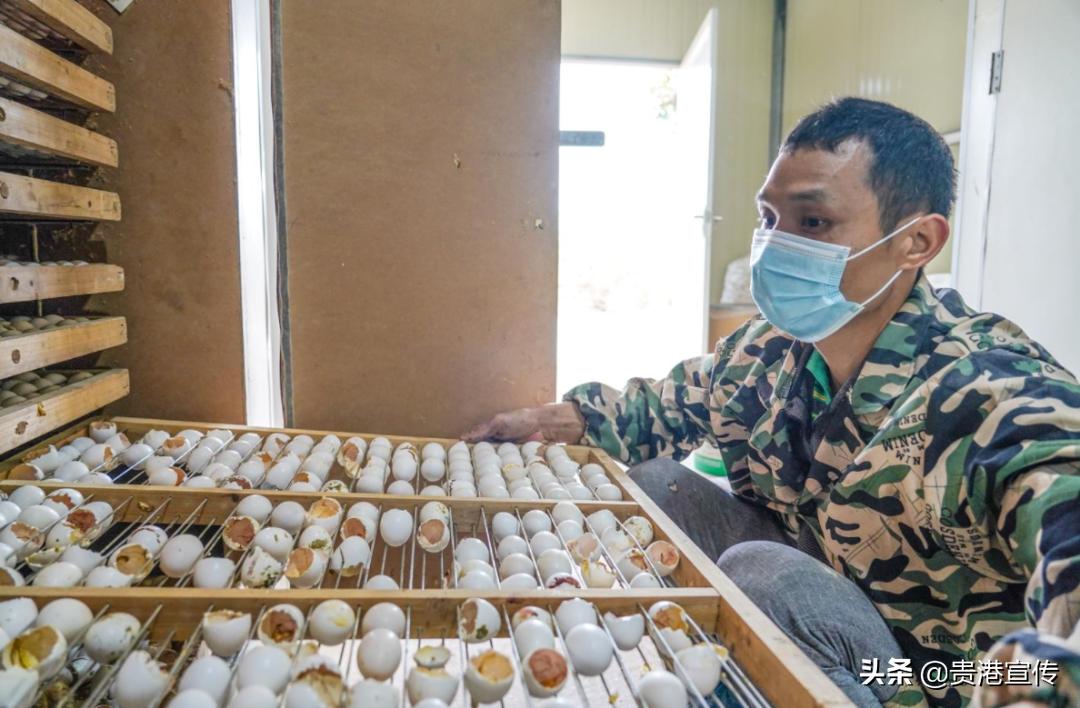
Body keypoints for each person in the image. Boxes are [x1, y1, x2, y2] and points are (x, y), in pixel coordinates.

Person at [463, 98, 1080, 707]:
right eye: (768, 218)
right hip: (836, 603)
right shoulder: (771, 350)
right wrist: (561, 420)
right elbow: (670, 407)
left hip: (941, 679)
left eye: (813, 223)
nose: (776, 246)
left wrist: (1044, 683)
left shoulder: (986, 389)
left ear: (916, 242)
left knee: (765, 577)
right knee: (659, 486)